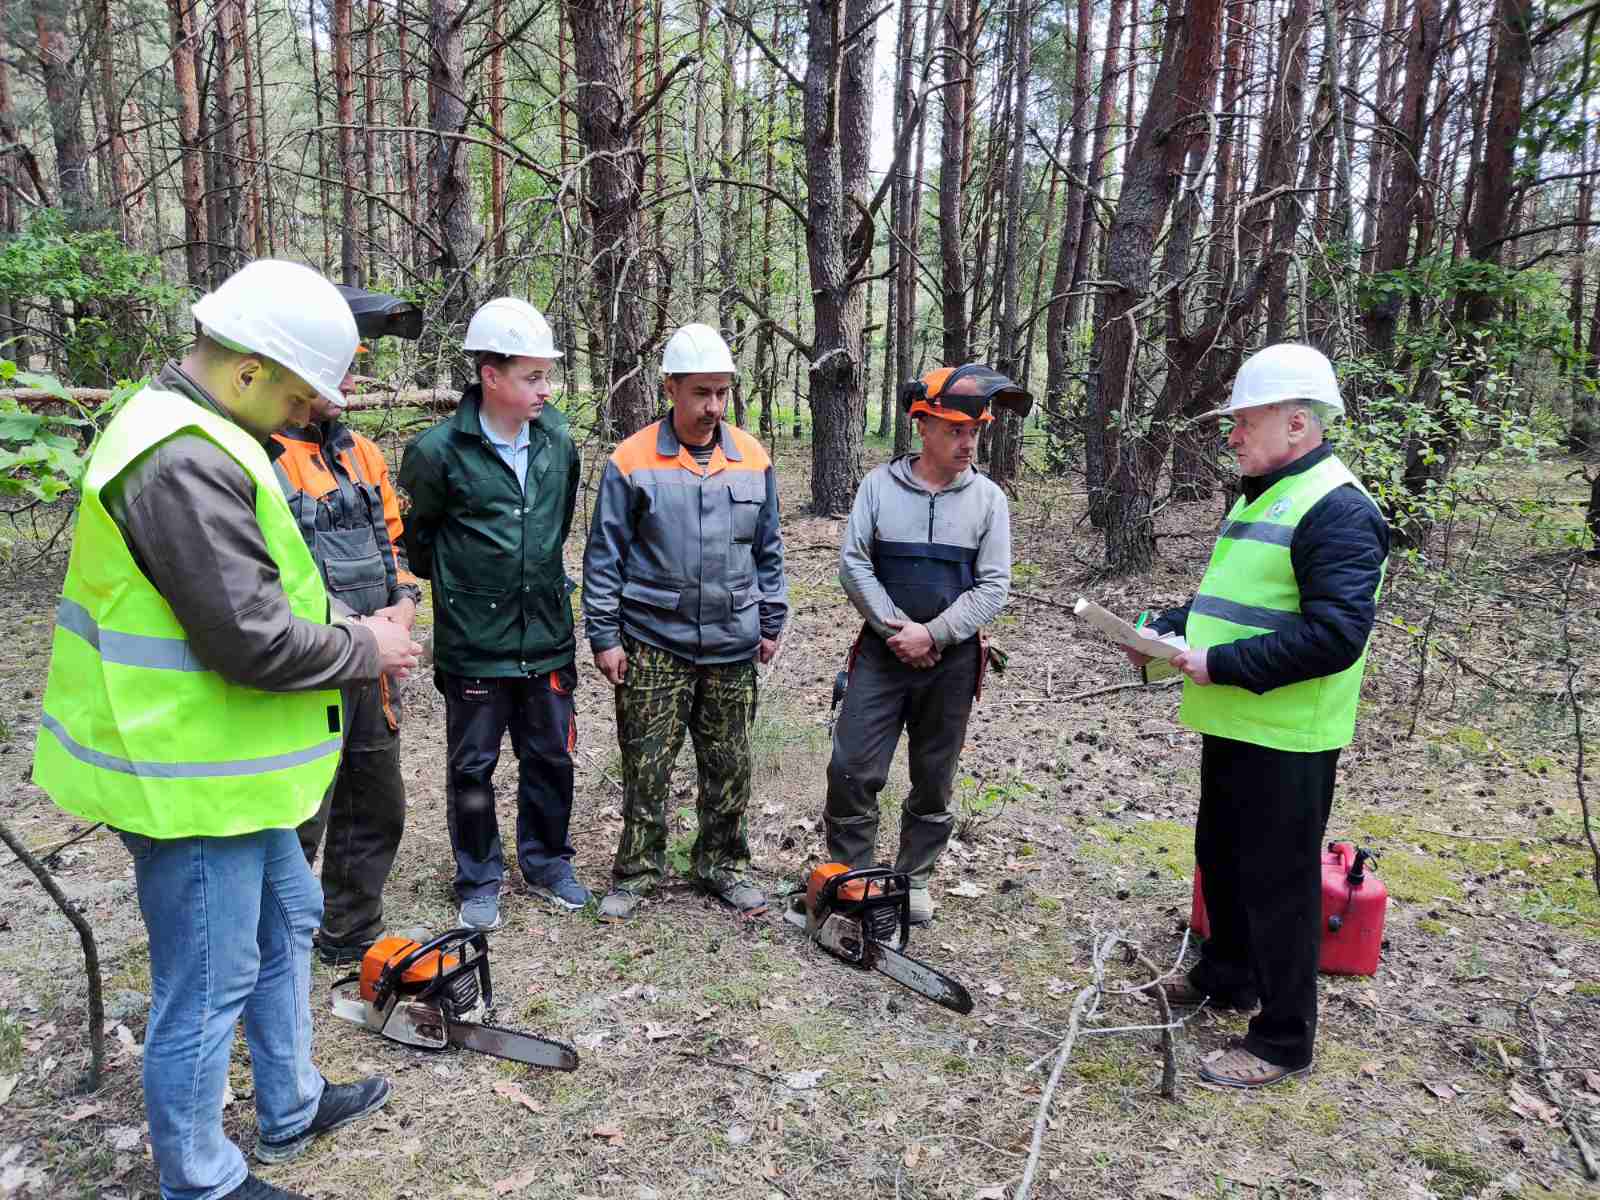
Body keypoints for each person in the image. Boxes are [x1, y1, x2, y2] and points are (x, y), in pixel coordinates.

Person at [31, 259, 422, 1200]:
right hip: (185, 775)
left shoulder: (212, 433)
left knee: (289, 918)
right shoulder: (177, 457)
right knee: (205, 984)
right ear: (248, 369)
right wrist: (363, 645)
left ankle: (289, 1104)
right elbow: (248, 637)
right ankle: (199, 1178)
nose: (303, 415)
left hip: (236, 769)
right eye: (296, 393)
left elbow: (268, 581)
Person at [1125, 343, 1389, 1089]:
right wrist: (1169, 629)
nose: (1231, 436)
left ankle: (1282, 1041)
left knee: (1278, 885)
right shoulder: (1263, 493)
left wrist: (1224, 664)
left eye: (1243, 421)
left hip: (1289, 733)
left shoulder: (1338, 508)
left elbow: (1336, 634)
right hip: (1236, 720)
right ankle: (1228, 975)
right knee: (1225, 859)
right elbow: (1233, 604)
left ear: (1298, 423)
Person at [583, 323, 788, 921]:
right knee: (645, 761)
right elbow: (604, 555)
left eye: (722, 393)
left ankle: (722, 863)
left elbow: (769, 550)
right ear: (669, 387)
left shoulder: (752, 458)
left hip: (732, 639)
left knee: (729, 764)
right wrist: (604, 636)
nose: (713, 406)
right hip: (652, 641)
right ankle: (638, 870)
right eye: (701, 392)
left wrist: (771, 620)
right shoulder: (631, 459)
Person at [398, 297, 585, 930]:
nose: (545, 389)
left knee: (551, 757)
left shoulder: (558, 440)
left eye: (546, 375)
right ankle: (478, 876)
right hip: (475, 642)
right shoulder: (438, 452)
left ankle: (548, 862)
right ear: (490, 376)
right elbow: (418, 543)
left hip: (548, 637)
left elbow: (556, 526)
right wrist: (469, 589)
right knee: (473, 769)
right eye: (533, 376)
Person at [821, 365, 1025, 928]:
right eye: (956, 430)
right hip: (881, 655)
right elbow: (853, 564)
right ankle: (854, 876)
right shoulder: (878, 488)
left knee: (934, 776)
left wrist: (934, 634)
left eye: (975, 432)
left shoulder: (988, 500)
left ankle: (914, 879)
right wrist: (897, 631)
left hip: (953, 661)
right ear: (923, 425)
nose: (967, 443)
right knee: (851, 766)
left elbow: (994, 586)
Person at [274, 285, 423, 965]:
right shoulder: (262, 457)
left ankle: (350, 933)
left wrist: (406, 605)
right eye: (338, 368)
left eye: (354, 367)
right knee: (300, 816)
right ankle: (277, 946)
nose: (351, 381)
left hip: (374, 667)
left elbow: (394, 544)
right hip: (305, 666)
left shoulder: (363, 454)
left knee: (377, 804)